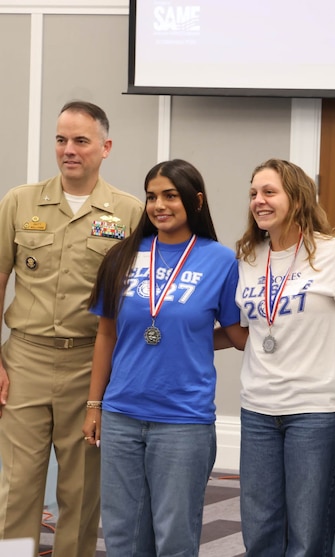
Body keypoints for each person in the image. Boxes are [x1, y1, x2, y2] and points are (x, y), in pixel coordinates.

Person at [0, 101, 143, 555]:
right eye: (61, 139)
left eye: (81, 140)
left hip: (90, 362)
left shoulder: (130, 213)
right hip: (24, 359)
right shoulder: (20, 201)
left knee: (81, 491)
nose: (69, 150)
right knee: (18, 486)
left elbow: (136, 302)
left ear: (106, 147)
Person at [80, 158, 244, 555]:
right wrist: (93, 404)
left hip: (183, 421)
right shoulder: (122, 257)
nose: (159, 205)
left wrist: (192, 339)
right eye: (152, 196)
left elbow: (239, 337)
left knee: (174, 536)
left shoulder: (221, 261)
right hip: (122, 415)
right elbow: (107, 334)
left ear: (196, 200)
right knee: (123, 534)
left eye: (170, 195)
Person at [235, 158, 335, 556]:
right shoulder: (248, 257)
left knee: (309, 533)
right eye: (254, 193)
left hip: (316, 410)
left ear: (298, 197)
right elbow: (246, 331)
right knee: (260, 530)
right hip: (257, 409)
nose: (259, 201)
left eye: (269, 192)